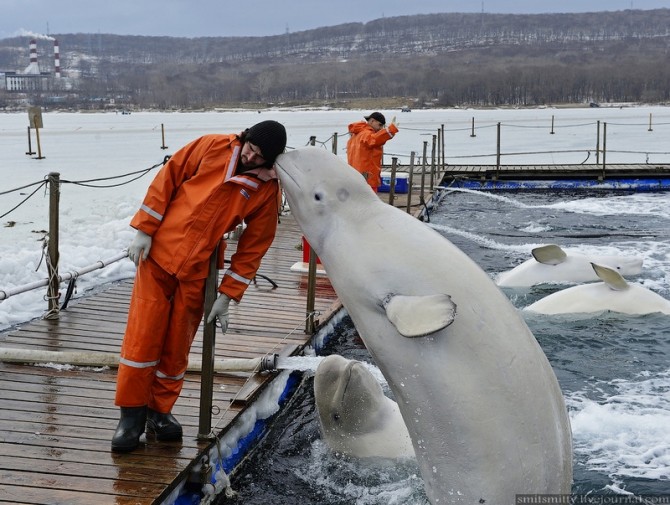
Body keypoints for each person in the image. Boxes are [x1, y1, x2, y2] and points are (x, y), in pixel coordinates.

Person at [112, 119, 287, 452]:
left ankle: (160, 411)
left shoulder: (267, 188)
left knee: (178, 344)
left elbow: (256, 243)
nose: (251, 158)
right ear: (245, 138)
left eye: (261, 156)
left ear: (272, 159)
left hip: (199, 270)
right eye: (251, 149)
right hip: (159, 256)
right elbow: (168, 179)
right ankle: (130, 418)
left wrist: (227, 295)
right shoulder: (211, 146)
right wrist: (144, 230)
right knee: (143, 339)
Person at [346, 111, 399, 192]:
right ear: (372, 121)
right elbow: (373, 139)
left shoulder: (356, 135)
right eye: (380, 125)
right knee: (369, 202)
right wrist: (390, 130)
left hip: (355, 176)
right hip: (367, 178)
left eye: (382, 126)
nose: (381, 128)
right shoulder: (366, 134)